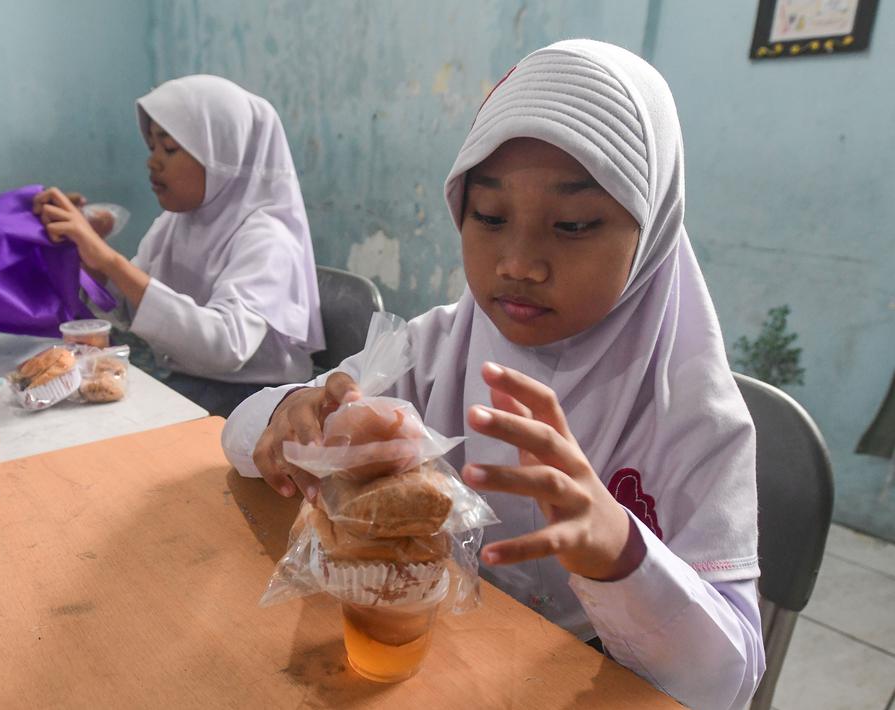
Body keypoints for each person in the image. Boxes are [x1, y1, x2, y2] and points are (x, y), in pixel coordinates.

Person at [222, 40, 764, 708]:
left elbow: (728, 683)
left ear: (650, 229)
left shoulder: (692, 418)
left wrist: (623, 554)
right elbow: (241, 438)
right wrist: (291, 412)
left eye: (571, 224)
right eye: (489, 216)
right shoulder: (436, 346)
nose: (518, 263)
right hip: (436, 662)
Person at [34, 75, 325, 416]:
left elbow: (226, 348)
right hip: (188, 380)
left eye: (169, 148)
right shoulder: (177, 223)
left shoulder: (268, 239)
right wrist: (86, 255)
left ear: (222, 156)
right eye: (152, 147)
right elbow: (129, 303)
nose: (152, 161)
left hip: (253, 402)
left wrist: (111, 261)